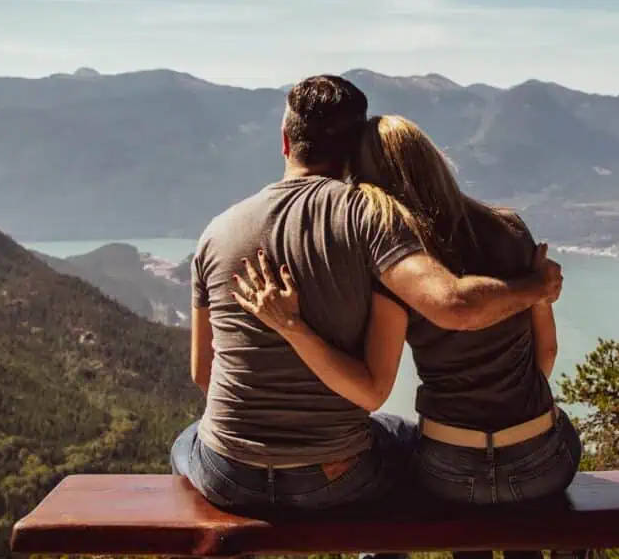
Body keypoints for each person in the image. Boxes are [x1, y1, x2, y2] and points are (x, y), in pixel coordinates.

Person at [171, 77, 564, 518]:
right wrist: (538, 288)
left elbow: (204, 373)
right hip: (335, 474)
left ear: (285, 141)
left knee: (186, 441)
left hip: (228, 473)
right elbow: (447, 313)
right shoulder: (370, 219)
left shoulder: (215, 233)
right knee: (399, 438)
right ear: (355, 148)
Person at [233, 114, 582, 559]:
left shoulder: (399, 268)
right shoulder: (510, 230)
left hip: (451, 464)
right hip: (538, 459)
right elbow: (545, 354)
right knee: (550, 454)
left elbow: (375, 381)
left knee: (422, 472)